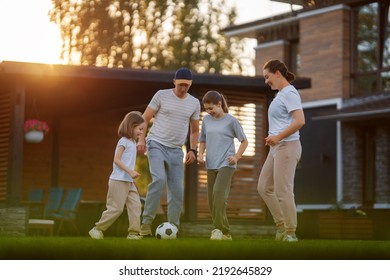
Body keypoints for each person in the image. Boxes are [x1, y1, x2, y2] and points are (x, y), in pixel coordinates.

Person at [137, 67, 200, 237]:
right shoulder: (161, 95)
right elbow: (145, 118)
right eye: (180, 85)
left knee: (177, 190)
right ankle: (145, 224)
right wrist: (141, 139)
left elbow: (194, 131)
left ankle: (173, 227)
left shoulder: (194, 103)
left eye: (186, 85)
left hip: (176, 150)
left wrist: (193, 150)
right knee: (159, 180)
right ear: (174, 82)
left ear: (190, 84)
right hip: (156, 143)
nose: (183, 88)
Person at [257, 59, 305, 242]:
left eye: (267, 76)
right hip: (276, 148)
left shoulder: (290, 93)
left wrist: (278, 137)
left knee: (283, 190)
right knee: (264, 187)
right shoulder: (280, 95)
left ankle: (290, 233)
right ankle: (281, 227)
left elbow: (300, 120)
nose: (266, 81)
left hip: (287, 146)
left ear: (277, 73)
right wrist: (274, 139)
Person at [198, 91, 248, 241]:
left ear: (219, 104)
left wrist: (237, 157)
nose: (208, 111)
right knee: (211, 200)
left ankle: (217, 229)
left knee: (219, 195)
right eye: (206, 109)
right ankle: (226, 232)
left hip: (227, 163)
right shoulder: (206, 120)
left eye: (211, 108)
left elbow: (244, 141)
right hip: (211, 163)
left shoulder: (231, 121)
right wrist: (200, 155)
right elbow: (203, 140)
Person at [89, 111, 145, 240]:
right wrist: (130, 171)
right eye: (139, 129)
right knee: (116, 209)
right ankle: (97, 229)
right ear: (131, 126)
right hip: (118, 180)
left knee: (136, 206)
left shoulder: (132, 142)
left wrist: (131, 177)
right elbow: (117, 160)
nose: (141, 132)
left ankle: (133, 233)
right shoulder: (123, 141)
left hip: (128, 181)